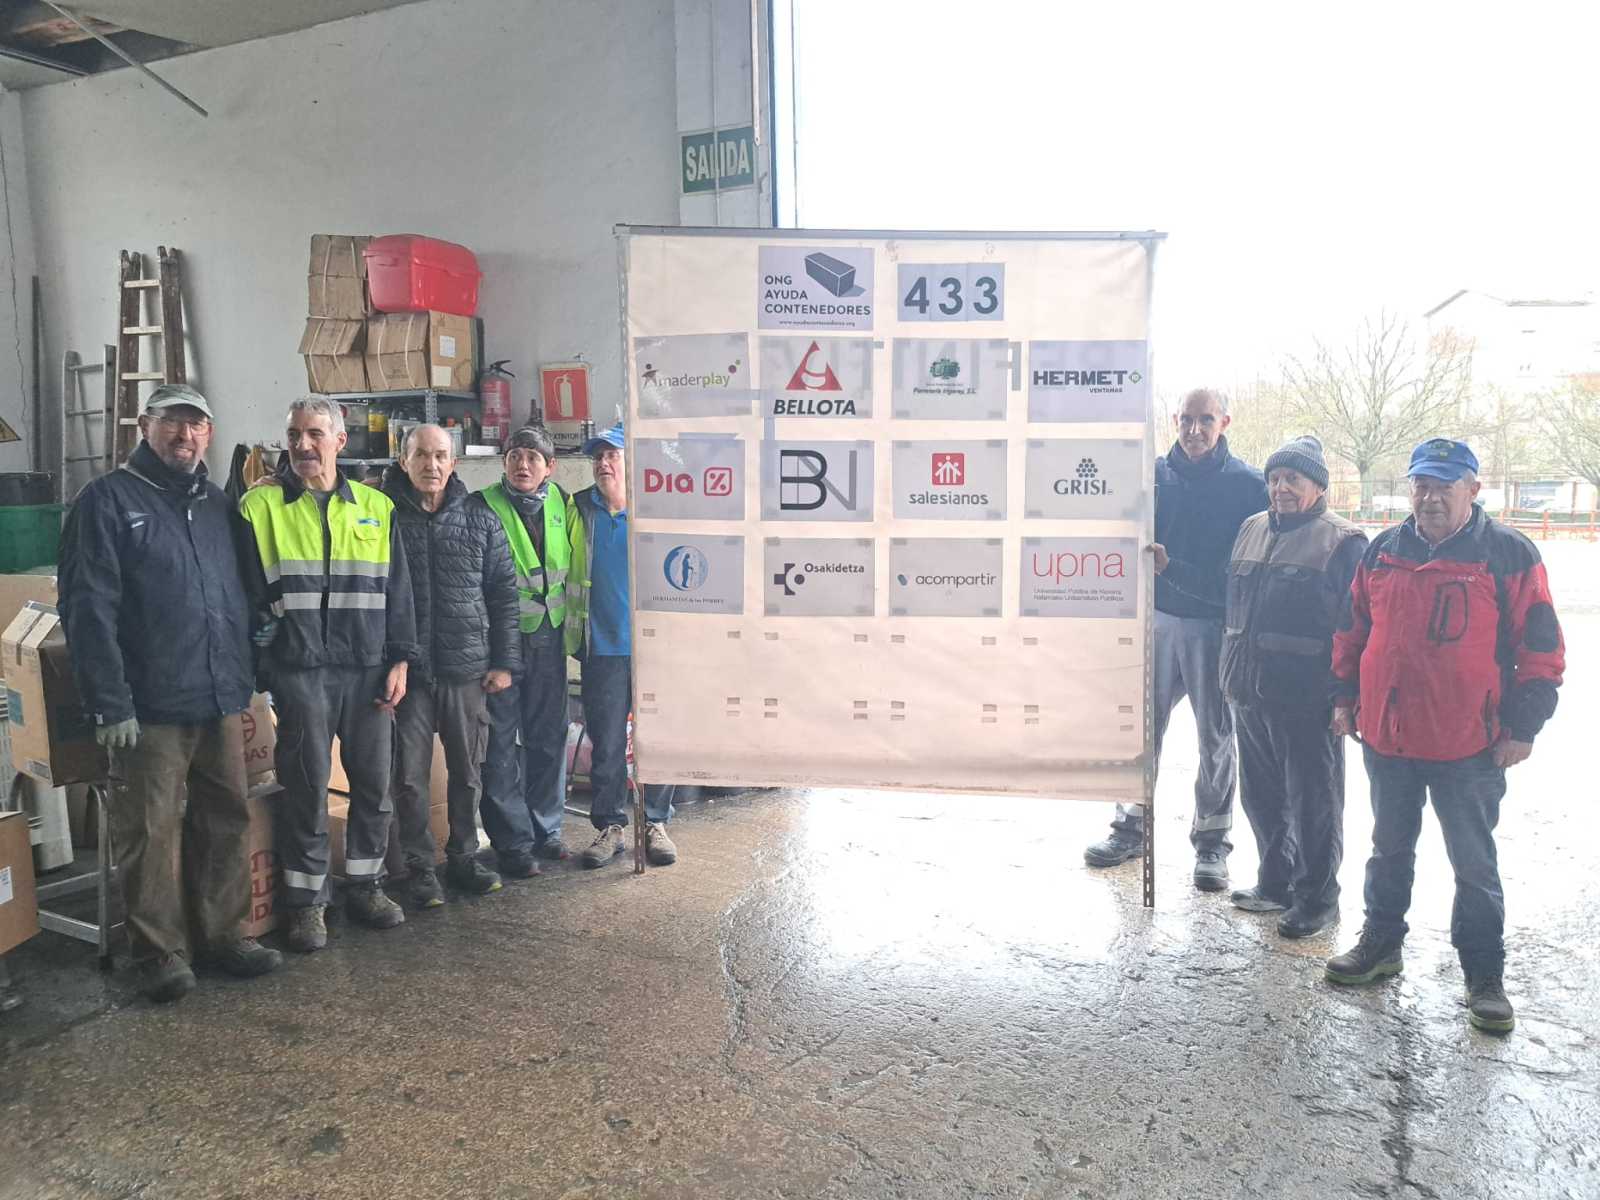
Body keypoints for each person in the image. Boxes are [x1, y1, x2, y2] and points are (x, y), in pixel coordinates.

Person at [1325, 438, 1564, 1033]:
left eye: (1444, 487)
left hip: (1470, 745)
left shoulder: (1508, 553)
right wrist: (1344, 697)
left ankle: (1484, 974)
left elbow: (1541, 648)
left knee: (1473, 863)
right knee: (1388, 848)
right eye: (1422, 486)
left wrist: (1523, 726)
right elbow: (1353, 628)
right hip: (1389, 737)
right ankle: (1382, 943)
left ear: (1473, 490)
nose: (1430, 498)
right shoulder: (1383, 549)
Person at [58, 383, 282, 1001]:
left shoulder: (216, 505)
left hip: (218, 693)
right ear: (144, 426)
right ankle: (157, 953)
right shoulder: (106, 501)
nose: (185, 436)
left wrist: (253, 646)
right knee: (150, 831)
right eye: (171, 423)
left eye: (195, 425)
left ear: (209, 432)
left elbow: (236, 591)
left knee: (225, 818)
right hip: (148, 706)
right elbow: (87, 609)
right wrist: (109, 702)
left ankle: (224, 935)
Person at [238, 398, 417, 951]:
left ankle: (367, 885)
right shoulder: (259, 505)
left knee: (373, 785)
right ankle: (307, 903)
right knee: (307, 786)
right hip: (300, 670)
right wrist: (266, 660)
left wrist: (400, 660)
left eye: (315, 433)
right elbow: (245, 593)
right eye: (294, 434)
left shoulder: (376, 507)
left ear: (340, 441)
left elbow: (399, 590)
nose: (303, 445)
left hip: (368, 668)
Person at [1084, 388, 1269, 890]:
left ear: (1225, 422)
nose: (1194, 429)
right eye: (1186, 419)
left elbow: (1245, 568)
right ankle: (1129, 828)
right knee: (1139, 732)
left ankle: (1212, 843)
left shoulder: (1249, 486)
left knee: (1216, 737)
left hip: (1215, 628)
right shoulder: (1151, 476)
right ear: (1174, 420)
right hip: (1156, 621)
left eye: (1205, 420)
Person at [1221, 436, 1366, 937]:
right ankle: (1275, 883)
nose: (1281, 488)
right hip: (1248, 690)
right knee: (1261, 798)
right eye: (1275, 479)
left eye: (1293, 479)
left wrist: (1345, 696)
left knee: (1313, 803)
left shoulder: (1343, 541)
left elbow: (1355, 626)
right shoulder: (1250, 528)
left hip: (1306, 698)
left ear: (1318, 487)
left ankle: (1318, 899)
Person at [381, 424, 520, 907]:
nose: (432, 465)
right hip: (409, 673)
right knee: (409, 778)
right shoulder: (383, 515)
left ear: (454, 463)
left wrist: (504, 662)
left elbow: (504, 593)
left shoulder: (480, 518)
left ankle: (463, 857)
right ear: (404, 461)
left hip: (467, 669)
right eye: (421, 455)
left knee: (467, 773)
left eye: (441, 455)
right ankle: (420, 868)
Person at [565, 421, 678, 869]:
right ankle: (610, 826)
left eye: (612, 455)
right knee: (608, 743)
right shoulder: (578, 509)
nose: (603, 464)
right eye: (598, 457)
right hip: (601, 648)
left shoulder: (658, 510)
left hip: (655, 649)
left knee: (659, 739)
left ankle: (655, 822)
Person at [478, 426, 575, 871]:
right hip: (501, 643)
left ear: (549, 467)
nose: (523, 464)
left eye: (533, 458)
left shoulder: (562, 503)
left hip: (549, 638)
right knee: (500, 744)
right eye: (515, 455)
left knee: (549, 737)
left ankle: (546, 830)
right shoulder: (482, 506)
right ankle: (512, 842)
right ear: (504, 462)